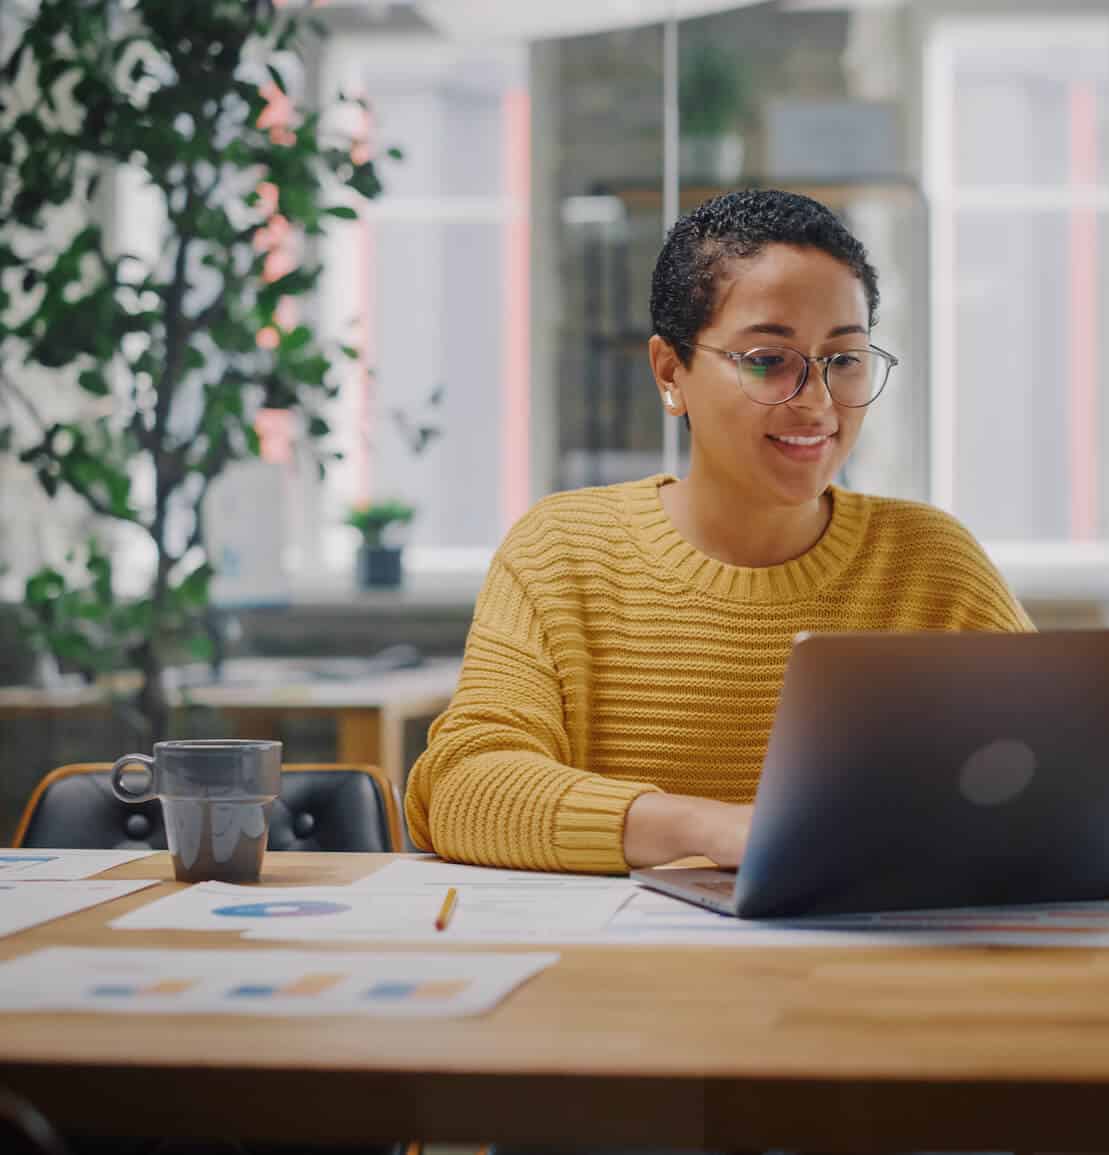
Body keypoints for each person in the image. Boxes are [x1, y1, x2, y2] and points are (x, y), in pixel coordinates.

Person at [405, 188, 1032, 874]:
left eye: (844, 360)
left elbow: (1056, 775)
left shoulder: (930, 563)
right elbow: (464, 787)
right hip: (632, 972)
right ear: (671, 372)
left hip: (872, 963)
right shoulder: (563, 552)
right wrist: (704, 826)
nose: (817, 402)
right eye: (768, 359)